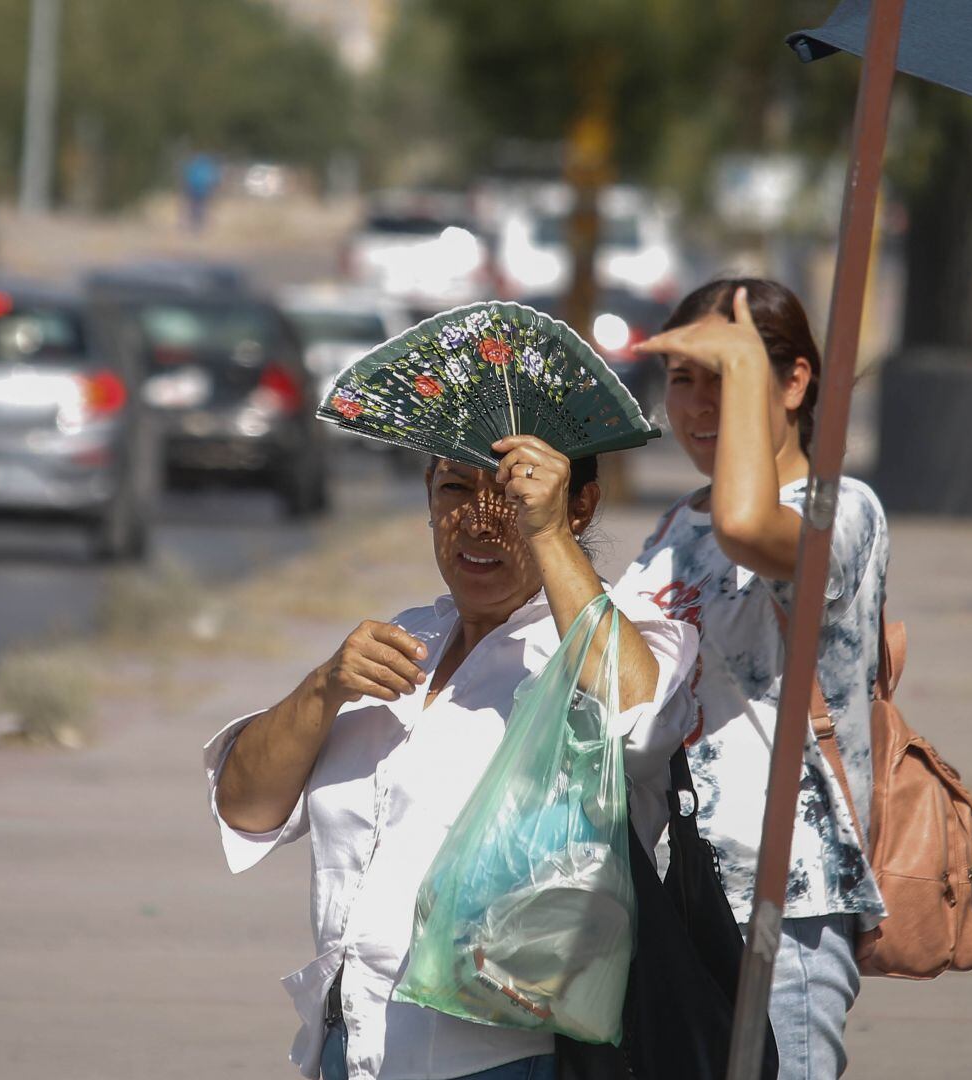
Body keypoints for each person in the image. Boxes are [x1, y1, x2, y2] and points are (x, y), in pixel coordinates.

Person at [204, 432, 698, 1080]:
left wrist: (548, 537)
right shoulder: (405, 642)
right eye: (455, 489)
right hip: (349, 1049)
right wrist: (324, 687)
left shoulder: (609, 642)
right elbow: (244, 806)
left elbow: (643, 720)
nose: (481, 520)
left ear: (579, 507)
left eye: (512, 494)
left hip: (506, 1057)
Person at [619, 278, 890, 1080]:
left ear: (795, 381)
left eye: (726, 378)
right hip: (671, 895)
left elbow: (749, 525)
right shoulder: (675, 525)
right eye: (683, 380)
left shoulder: (841, 510)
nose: (700, 406)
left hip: (781, 905)